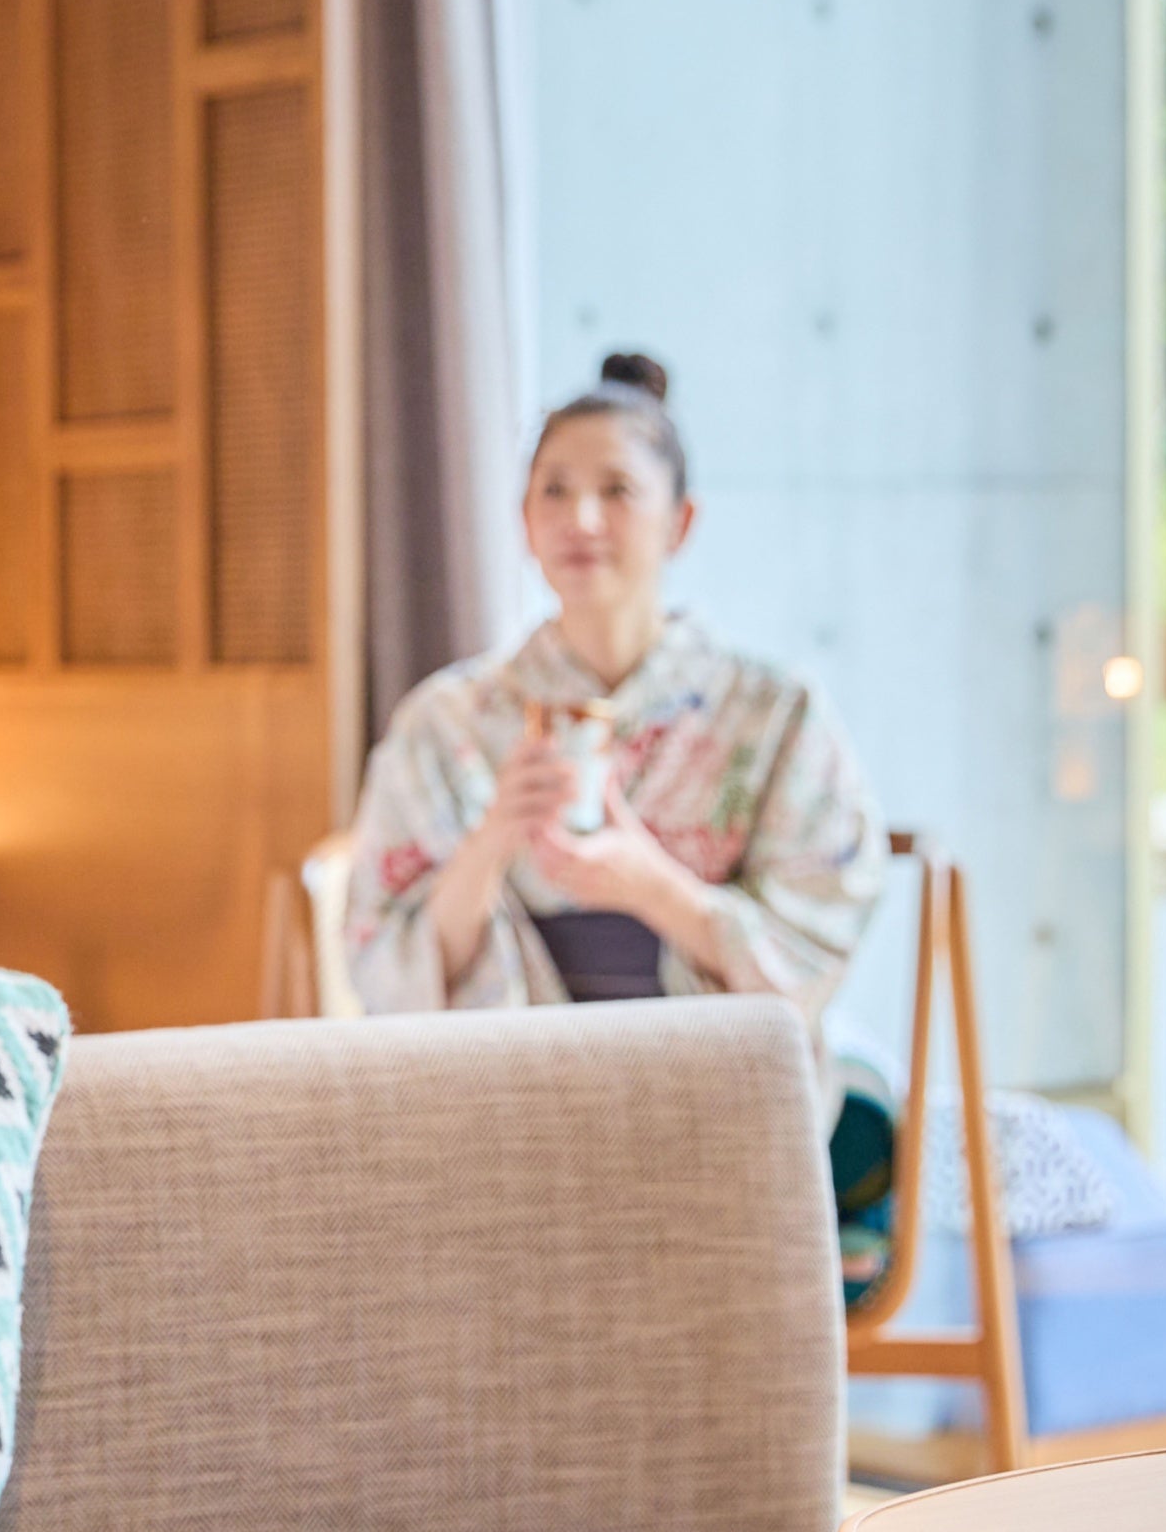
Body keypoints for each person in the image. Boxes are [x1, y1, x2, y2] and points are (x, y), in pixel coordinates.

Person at [343, 354, 889, 1246]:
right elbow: (383, 958)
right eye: (554, 491)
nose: (582, 519)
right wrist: (493, 839)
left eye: (617, 491)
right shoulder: (448, 720)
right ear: (523, 521)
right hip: (503, 1115)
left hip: (705, 1106)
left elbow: (817, 936)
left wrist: (650, 887)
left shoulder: (773, 714)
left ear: (681, 521)